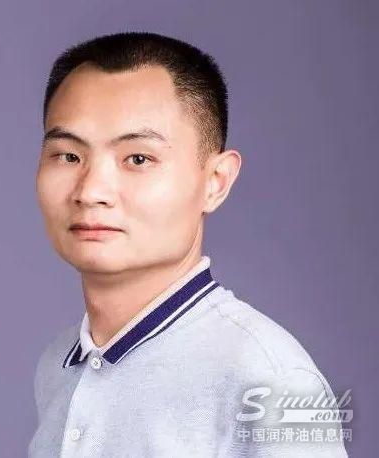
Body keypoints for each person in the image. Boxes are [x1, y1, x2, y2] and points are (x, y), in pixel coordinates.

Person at [29, 31, 348, 457]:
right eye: (69, 156)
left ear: (215, 181)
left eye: (138, 159)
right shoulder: (57, 365)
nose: (91, 191)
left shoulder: (273, 380)